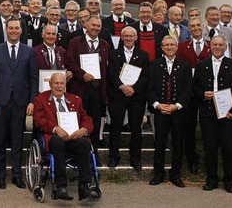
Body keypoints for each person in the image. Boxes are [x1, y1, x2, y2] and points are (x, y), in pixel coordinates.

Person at [0, 17, 38, 189]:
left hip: (20, 102)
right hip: (0, 102)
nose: (14, 31)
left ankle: (17, 175)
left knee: (17, 141)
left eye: (17, 28)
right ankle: (0, 176)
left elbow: (33, 78)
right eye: (11, 28)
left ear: (21, 30)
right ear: (6, 30)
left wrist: (32, 101)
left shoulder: (28, 51)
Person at [33, 73, 98, 201]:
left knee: (84, 143)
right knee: (57, 142)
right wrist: (55, 128)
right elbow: (38, 120)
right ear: (50, 84)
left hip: (73, 137)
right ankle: (61, 185)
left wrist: (83, 130)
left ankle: (84, 186)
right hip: (54, 137)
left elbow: (86, 118)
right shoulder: (41, 99)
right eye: (56, 83)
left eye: (62, 83)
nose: (59, 86)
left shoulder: (75, 100)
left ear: (65, 85)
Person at [193, 35, 232, 193]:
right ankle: (212, 179)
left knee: (227, 148)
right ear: (210, 46)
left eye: (220, 45)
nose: (217, 47)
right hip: (208, 113)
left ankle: (228, 181)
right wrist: (203, 94)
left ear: (225, 47)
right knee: (210, 147)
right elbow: (194, 88)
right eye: (214, 44)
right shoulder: (202, 65)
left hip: (227, 114)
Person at [147, 36, 191, 188]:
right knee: (159, 143)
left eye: (172, 45)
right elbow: (150, 88)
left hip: (178, 111)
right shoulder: (154, 65)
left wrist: (177, 105)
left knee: (178, 143)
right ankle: (158, 174)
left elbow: (187, 89)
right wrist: (157, 105)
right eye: (166, 45)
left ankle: (175, 174)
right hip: (160, 111)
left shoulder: (185, 66)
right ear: (162, 47)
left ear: (177, 47)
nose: (170, 47)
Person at [66, 16, 110, 167]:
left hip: (98, 92)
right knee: (78, 123)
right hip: (80, 90)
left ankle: (94, 154)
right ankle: (78, 155)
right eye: (93, 25)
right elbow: (70, 61)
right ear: (86, 25)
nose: (96, 28)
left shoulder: (104, 44)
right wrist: (82, 74)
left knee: (95, 125)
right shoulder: (75, 42)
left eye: (98, 26)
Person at [106, 27, 149, 168]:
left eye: (131, 36)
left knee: (136, 128)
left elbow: (145, 76)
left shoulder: (143, 55)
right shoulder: (114, 54)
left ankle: (135, 158)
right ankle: (114, 156)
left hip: (136, 97)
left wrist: (134, 89)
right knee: (115, 126)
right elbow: (111, 73)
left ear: (136, 38)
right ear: (122, 38)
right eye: (126, 36)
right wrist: (121, 86)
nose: (129, 38)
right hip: (118, 95)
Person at [176, 17, 211, 175]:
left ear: (203, 27)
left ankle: (209, 161)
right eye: (192, 26)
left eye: (198, 25)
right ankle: (191, 161)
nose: (196, 28)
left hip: (207, 93)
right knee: (189, 129)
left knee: (206, 129)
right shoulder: (182, 46)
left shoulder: (212, 46)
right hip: (189, 94)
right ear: (188, 29)